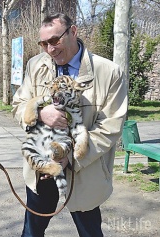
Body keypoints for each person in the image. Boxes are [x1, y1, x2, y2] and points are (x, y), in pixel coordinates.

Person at [12, 13, 128, 237]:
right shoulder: (35, 65)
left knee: (90, 231)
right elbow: (19, 105)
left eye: (55, 40)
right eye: (44, 43)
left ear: (73, 32)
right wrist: (40, 112)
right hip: (43, 168)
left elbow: (110, 127)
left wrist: (72, 157)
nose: (50, 49)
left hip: (84, 169)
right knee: (31, 231)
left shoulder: (109, 72)